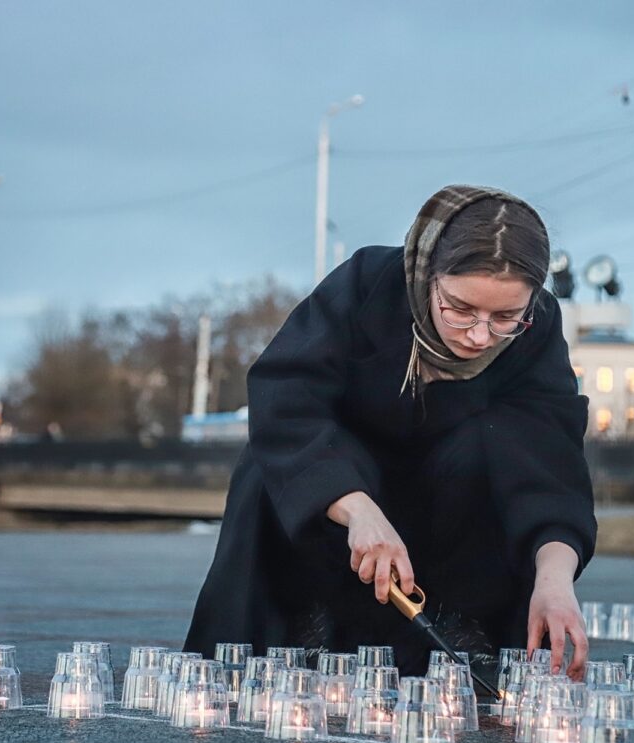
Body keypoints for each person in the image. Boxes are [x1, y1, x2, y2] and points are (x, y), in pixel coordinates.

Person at [183, 184, 596, 681]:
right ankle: (306, 622)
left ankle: (463, 628)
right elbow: (287, 403)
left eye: (506, 317)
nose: (480, 335)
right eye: (460, 309)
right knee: (264, 470)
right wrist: (354, 506)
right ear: (429, 277)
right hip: (337, 507)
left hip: (450, 518)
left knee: (488, 443)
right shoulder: (367, 285)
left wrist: (554, 580)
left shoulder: (538, 330)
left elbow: (549, 467)